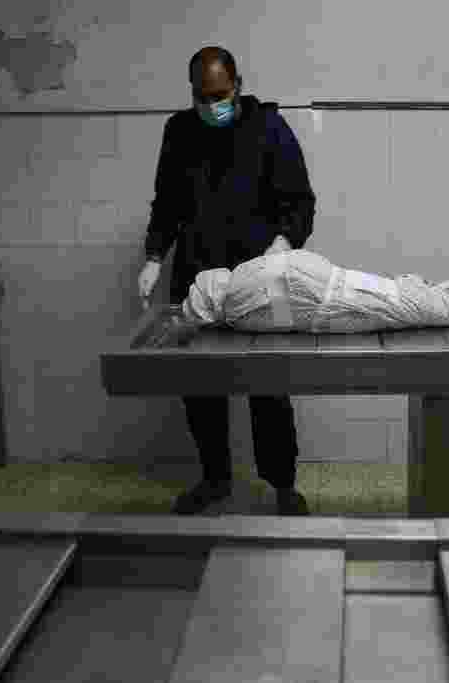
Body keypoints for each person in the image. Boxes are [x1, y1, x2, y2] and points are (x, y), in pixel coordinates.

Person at [138, 46, 316, 516]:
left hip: (259, 274)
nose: (211, 104)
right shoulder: (179, 132)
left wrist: (284, 241)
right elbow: (167, 203)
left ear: (237, 84)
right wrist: (154, 257)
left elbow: (300, 201)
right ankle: (214, 478)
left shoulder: (269, 128)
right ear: (192, 92)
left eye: (219, 94)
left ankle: (282, 484)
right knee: (199, 384)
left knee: (270, 384)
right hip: (197, 274)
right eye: (202, 96)